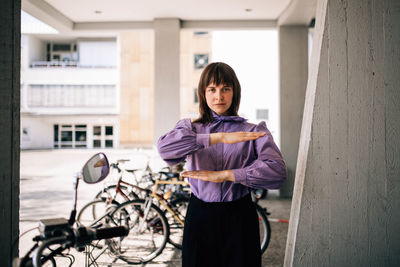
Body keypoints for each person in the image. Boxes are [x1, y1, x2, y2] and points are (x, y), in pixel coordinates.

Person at [157, 62, 287, 267]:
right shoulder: (190, 128)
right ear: (203, 93)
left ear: (235, 92)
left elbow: (278, 173)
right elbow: (165, 150)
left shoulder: (252, 131)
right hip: (200, 215)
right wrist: (217, 138)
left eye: (226, 89)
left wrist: (227, 175)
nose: (219, 96)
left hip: (239, 216)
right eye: (212, 89)